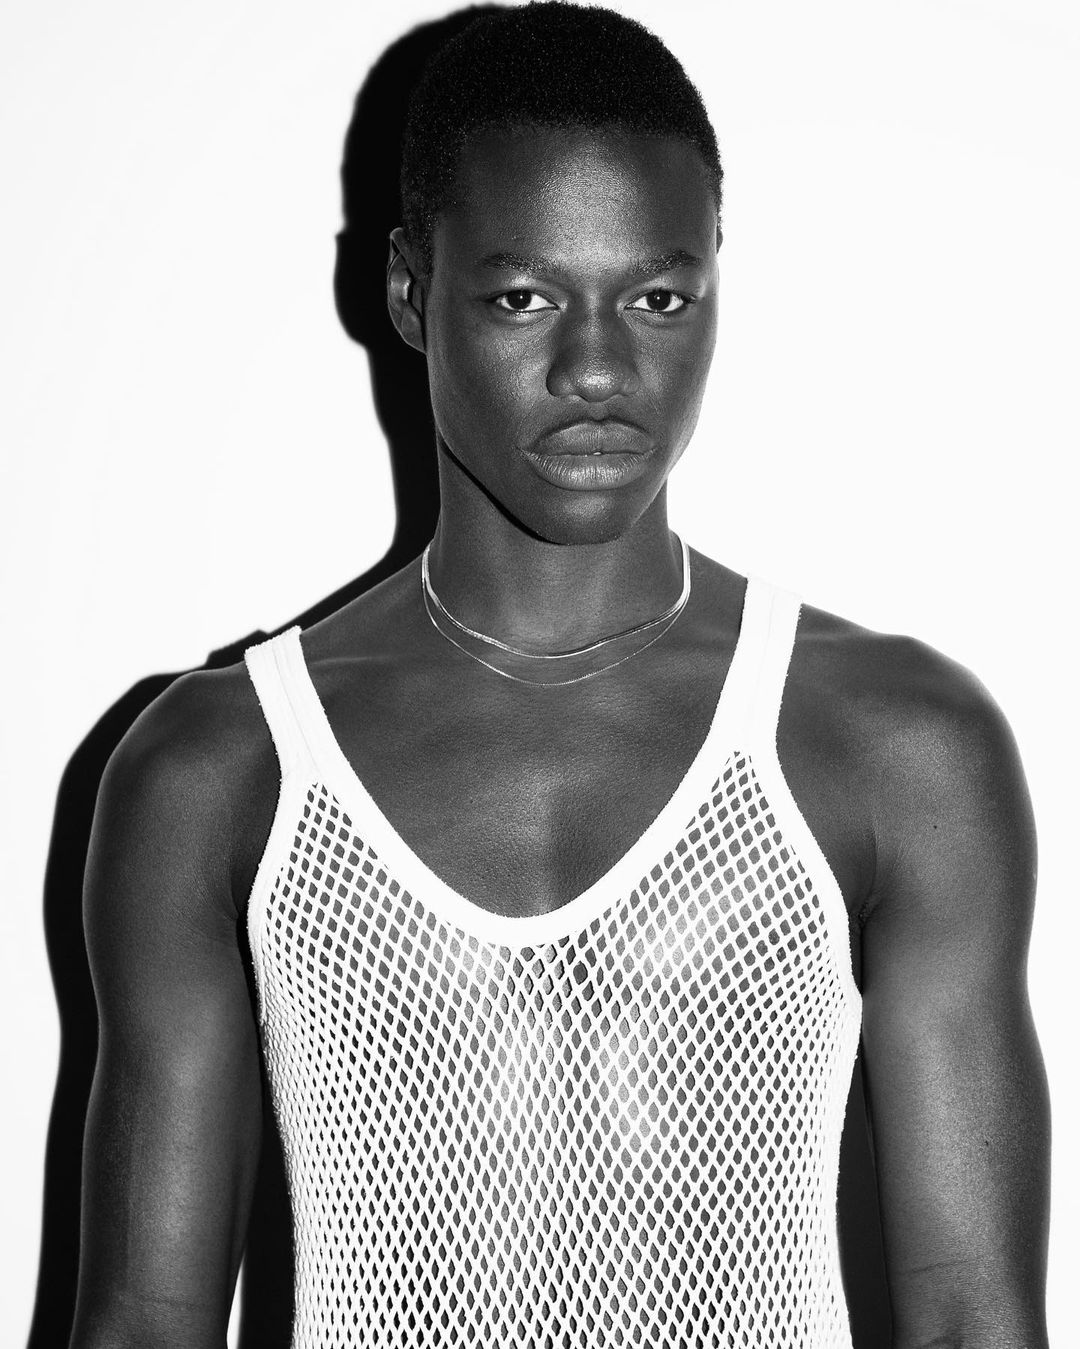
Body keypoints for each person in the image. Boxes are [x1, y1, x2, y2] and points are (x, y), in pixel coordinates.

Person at [69, 4, 1051, 1346]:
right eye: (523, 298)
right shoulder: (218, 769)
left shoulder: (895, 747)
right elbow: (142, 1323)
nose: (597, 368)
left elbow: (975, 1322)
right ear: (409, 292)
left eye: (658, 299)